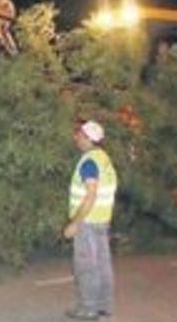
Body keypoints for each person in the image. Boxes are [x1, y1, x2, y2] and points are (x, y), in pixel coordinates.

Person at [63, 120, 118, 321]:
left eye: (79, 135)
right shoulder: (104, 160)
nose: (76, 138)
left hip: (87, 222)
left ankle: (88, 308)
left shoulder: (89, 162)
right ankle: (104, 306)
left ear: (88, 138)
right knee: (102, 265)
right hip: (102, 220)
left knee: (86, 267)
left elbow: (91, 193)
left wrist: (75, 223)